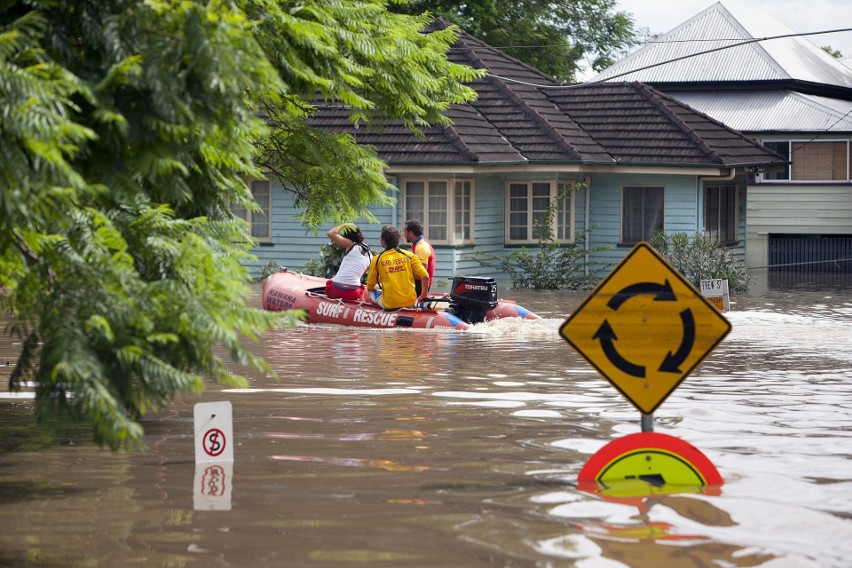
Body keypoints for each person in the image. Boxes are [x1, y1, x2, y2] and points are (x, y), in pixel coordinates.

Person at [366, 225, 429, 309]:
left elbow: (370, 286)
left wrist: (377, 286)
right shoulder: (410, 256)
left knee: (371, 292)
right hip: (410, 303)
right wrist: (423, 295)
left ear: (383, 241)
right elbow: (425, 276)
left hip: (390, 305)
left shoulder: (377, 259)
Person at [325, 223, 371, 301]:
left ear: (348, 237)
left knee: (330, 281)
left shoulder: (350, 244)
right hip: (353, 292)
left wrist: (344, 224)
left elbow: (330, 233)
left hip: (336, 290)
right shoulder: (370, 255)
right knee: (361, 288)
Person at [403, 219, 435, 296]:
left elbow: (420, 275)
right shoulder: (417, 242)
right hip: (419, 283)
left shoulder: (421, 247)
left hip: (421, 285)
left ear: (410, 233)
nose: (403, 234)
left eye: (404, 232)